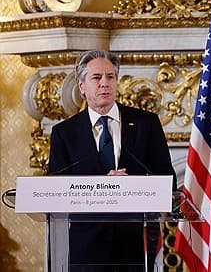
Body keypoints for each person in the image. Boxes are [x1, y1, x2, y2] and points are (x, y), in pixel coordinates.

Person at [49, 50, 177, 271]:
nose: (104, 84)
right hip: (86, 249)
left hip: (135, 244)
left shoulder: (146, 124)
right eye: (96, 78)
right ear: (82, 87)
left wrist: (129, 186)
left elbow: (168, 181)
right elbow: (56, 191)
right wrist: (103, 184)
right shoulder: (65, 133)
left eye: (110, 77)